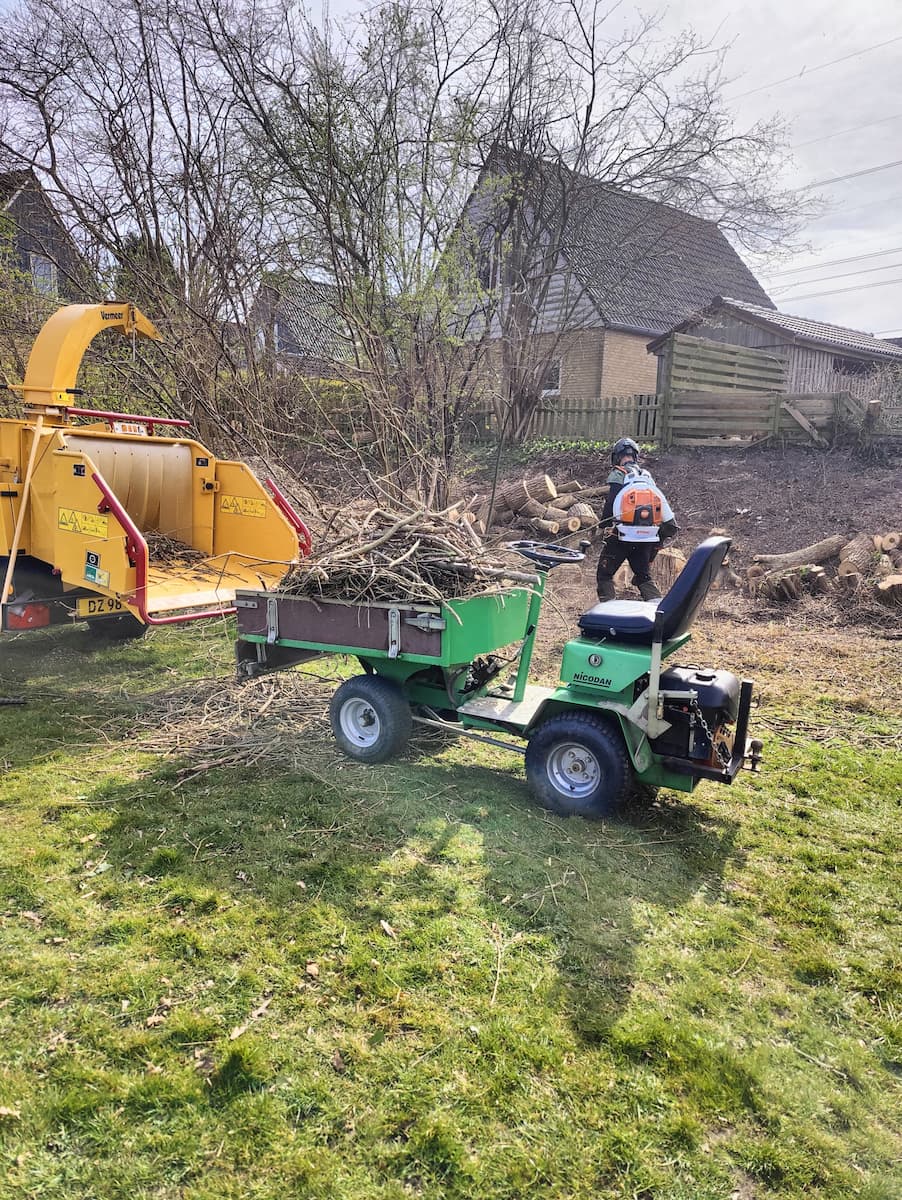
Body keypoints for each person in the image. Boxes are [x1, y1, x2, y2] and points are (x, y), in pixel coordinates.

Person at [595, 437, 678, 602]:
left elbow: (611, 504)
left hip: (621, 537)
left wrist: (602, 526)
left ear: (617, 457)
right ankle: (658, 612)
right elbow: (668, 520)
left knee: (604, 575)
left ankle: (608, 613)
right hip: (646, 538)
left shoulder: (619, 473)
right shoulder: (647, 476)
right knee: (643, 576)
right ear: (636, 456)